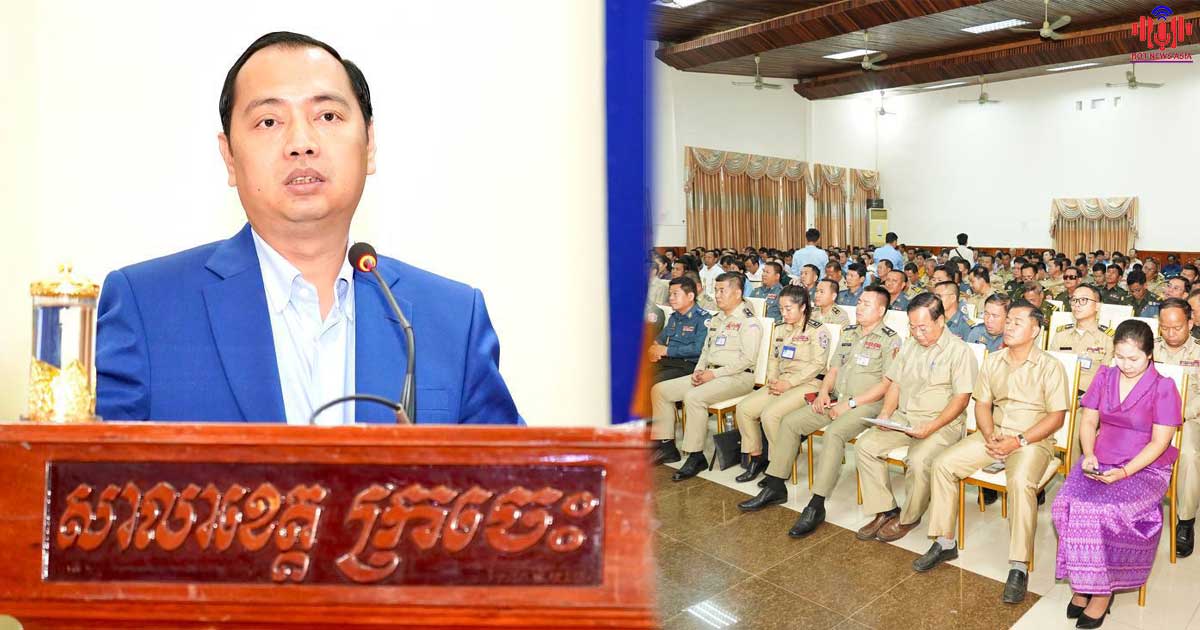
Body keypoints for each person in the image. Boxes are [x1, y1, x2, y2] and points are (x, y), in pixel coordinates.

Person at [96, 31, 519, 426]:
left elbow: (512, 476)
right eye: (269, 122)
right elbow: (92, 473)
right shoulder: (147, 309)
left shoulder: (452, 320)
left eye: (328, 115)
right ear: (229, 157)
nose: (302, 143)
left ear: (370, 144)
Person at [916, 303, 1069, 603]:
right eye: (1007, 321)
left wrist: (1018, 440)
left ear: (1035, 330)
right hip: (994, 433)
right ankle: (945, 542)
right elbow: (982, 404)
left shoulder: (1050, 366)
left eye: (1017, 322)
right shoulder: (994, 360)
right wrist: (989, 435)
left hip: (1032, 440)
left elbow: (1056, 417)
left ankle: (1018, 565)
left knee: (1021, 482)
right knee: (944, 464)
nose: (1008, 326)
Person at [1052, 320, 1182, 628]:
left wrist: (1124, 472)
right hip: (1100, 458)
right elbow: (1088, 421)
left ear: (1149, 355)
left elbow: (1159, 443)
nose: (1125, 365)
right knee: (1065, 503)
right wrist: (1088, 454)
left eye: (1133, 358)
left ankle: (1101, 592)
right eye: (1120, 357)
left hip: (1144, 467)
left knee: (1103, 511)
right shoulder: (1105, 375)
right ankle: (1083, 581)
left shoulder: (1163, 387)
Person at [738, 286, 901, 528]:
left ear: (881, 310)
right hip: (837, 398)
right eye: (859, 302)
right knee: (790, 422)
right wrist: (823, 392)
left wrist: (850, 404)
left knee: (834, 433)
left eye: (866, 304)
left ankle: (816, 504)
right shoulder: (849, 333)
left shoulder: (890, 339)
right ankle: (775, 485)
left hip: (867, 404)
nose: (859, 307)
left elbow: (887, 384)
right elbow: (833, 369)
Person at [854, 293, 977, 543]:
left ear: (940, 321)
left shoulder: (959, 352)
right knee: (865, 446)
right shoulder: (910, 345)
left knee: (919, 461)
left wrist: (931, 426)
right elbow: (896, 383)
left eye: (923, 327)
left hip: (941, 423)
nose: (917, 333)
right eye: (912, 327)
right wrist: (886, 414)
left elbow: (961, 400)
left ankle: (909, 517)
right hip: (904, 418)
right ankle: (886, 509)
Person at [649, 273, 763, 479]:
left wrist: (714, 373)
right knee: (660, 390)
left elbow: (747, 360)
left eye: (722, 290)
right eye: (716, 290)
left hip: (738, 377)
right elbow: (705, 350)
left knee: (694, 397)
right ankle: (666, 446)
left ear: (737, 293)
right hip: (710, 373)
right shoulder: (717, 319)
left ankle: (695, 455)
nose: (717, 295)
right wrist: (699, 370)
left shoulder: (749, 322)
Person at [733, 286, 832, 483]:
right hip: (782, 380)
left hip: (809, 383)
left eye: (788, 308)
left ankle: (777, 467)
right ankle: (756, 458)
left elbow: (818, 365)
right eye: (781, 309)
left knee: (771, 415)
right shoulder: (780, 328)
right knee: (744, 409)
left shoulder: (817, 330)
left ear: (802, 307)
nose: (784, 313)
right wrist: (773, 379)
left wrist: (789, 383)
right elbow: (774, 358)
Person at [1154, 299, 1200, 558]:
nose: (1170, 333)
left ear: (1190, 323)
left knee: (1189, 456)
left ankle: (1185, 520)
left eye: (1177, 327)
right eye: (1165, 327)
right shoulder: (1149, 348)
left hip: (1188, 419)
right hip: (1150, 419)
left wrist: (1183, 413)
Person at [1050, 284, 1114, 395]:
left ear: (1097, 306)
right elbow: (1051, 370)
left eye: (1083, 300)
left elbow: (1107, 378)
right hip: (1060, 394)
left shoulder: (1108, 338)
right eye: (1074, 300)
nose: (1077, 304)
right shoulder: (1061, 335)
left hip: (1091, 398)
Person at [648, 276, 710, 384]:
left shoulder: (703, 319)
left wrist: (667, 351)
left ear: (690, 296)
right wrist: (653, 349)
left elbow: (698, 349)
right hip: (667, 361)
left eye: (675, 294)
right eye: (670, 294)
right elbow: (661, 338)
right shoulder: (674, 317)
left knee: (651, 383)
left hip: (687, 365)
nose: (671, 298)